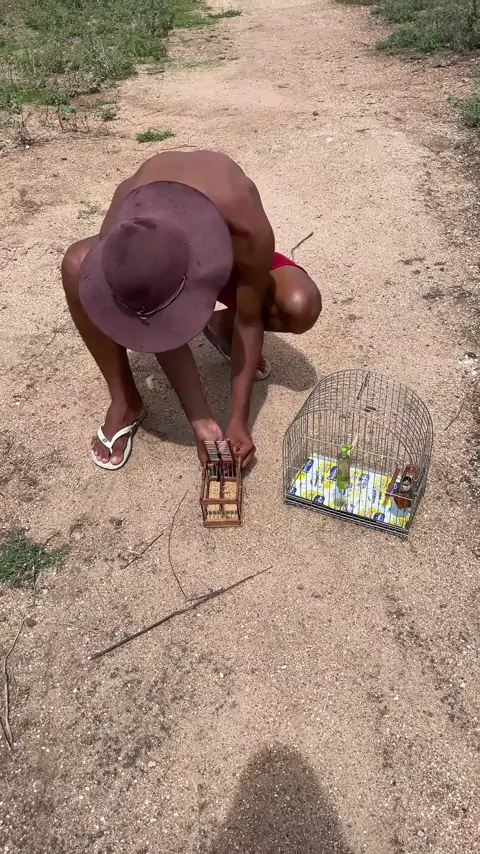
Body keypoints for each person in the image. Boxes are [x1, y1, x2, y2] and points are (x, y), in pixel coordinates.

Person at [62, 150, 322, 471]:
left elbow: (249, 319)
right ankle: (125, 400)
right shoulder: (121, 217)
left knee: (301, 305)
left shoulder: (243, 222)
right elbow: (155, 325)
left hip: (230, 253)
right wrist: (202, 421)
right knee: (77, 264)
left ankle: (219, 324)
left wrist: (239, 421)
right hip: (165, 254)